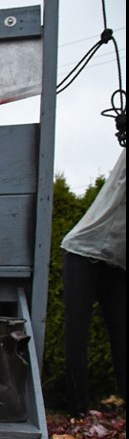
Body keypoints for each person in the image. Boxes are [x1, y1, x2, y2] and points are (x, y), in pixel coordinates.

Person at [61, 148, 126, 416]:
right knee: (77, 331)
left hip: (118, 261)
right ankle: (77, 410)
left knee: (122, 333)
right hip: (83, 250)